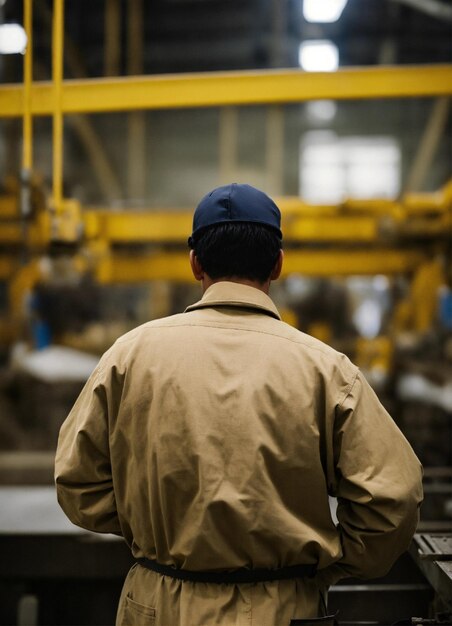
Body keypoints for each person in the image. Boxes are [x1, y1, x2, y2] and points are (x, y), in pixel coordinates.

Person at [55, 183, 423, 626]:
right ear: (279, 264)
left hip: (158, 605)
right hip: (282, 608)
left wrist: (158, 527)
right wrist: (329, 563)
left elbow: (77, 482)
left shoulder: (128, 358)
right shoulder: (327, 370)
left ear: (195, 264)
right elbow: (393, 499)